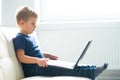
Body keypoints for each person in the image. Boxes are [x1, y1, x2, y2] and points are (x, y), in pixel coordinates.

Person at [13, 6, 108, 80]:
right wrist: (38, 60)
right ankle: (91, 72)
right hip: (34, 69)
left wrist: (48, 55)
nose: (35, 26)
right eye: (32, 23)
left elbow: (33, 53)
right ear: (22, 23)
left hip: (41, 65)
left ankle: (92, 68)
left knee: (70, 66)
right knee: (66, 70)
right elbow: (21, 57)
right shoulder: (20, 38)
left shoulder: (30, 37)